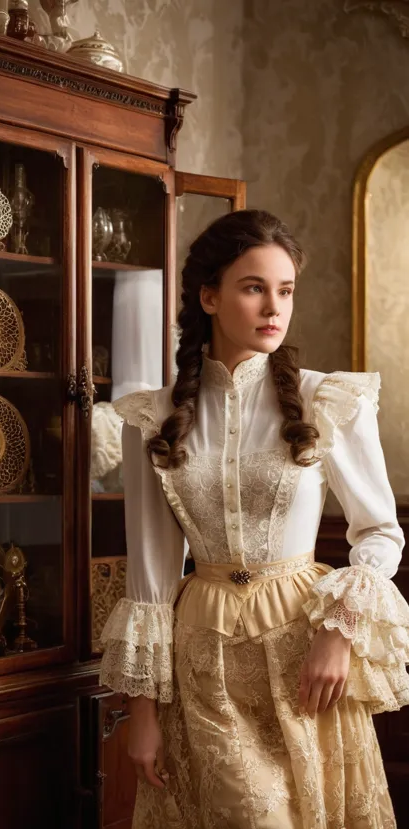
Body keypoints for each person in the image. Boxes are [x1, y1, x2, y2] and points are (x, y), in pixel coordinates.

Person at [99, 209, 409, 829]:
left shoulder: (328, 401)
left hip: (305, 658)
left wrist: (338, 632)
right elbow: (151, 580)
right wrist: (143, 715)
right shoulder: (153, 418)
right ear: (209, 297)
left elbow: (379, 530)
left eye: (285, 290)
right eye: (253, 287)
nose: (274, 307)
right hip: (202, 662)